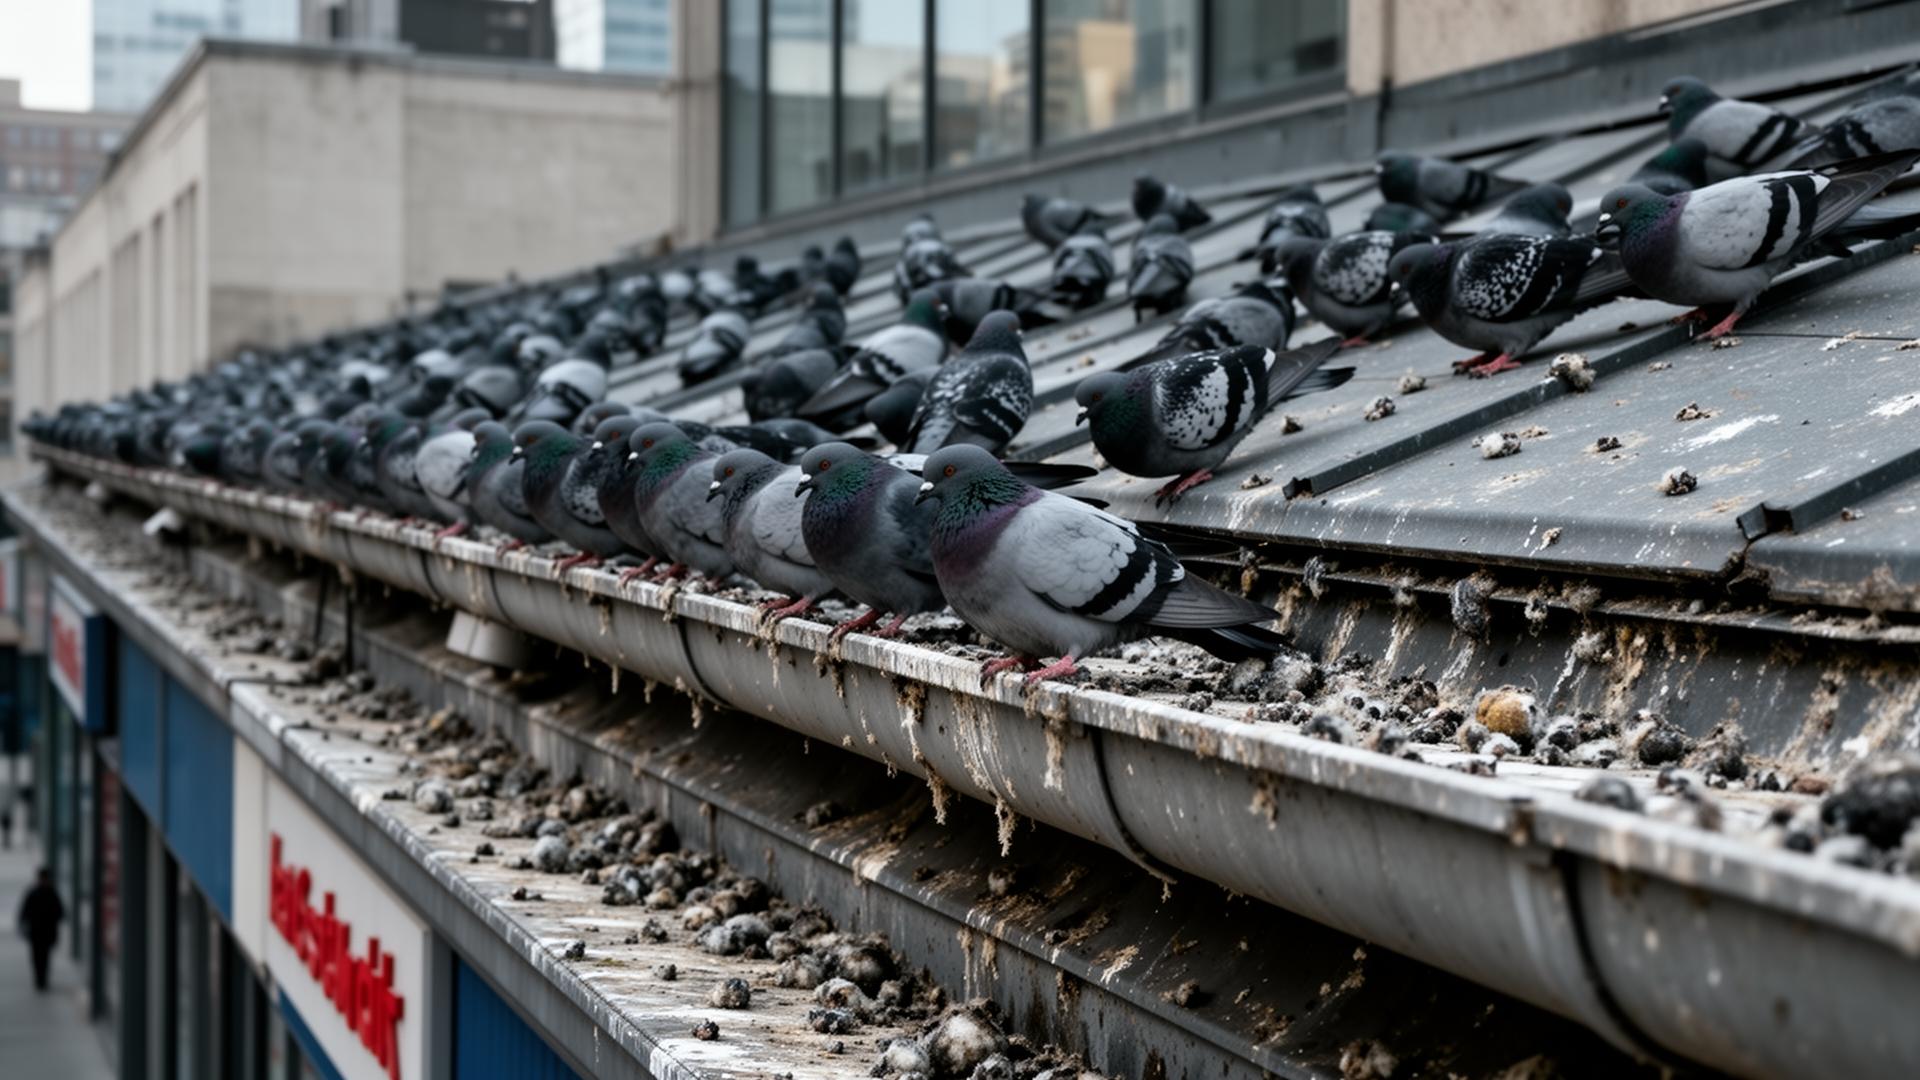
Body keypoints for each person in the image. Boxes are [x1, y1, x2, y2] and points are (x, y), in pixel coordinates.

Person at [16, 867, 65, 992]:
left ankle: (40, 980)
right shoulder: (51, 893)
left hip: (38, 932)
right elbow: (60, 913)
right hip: (44, 932)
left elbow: (24, 912)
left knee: (39, 957)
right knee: (42, 957)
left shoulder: (36, 892)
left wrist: (23, 924)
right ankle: (41, 980)